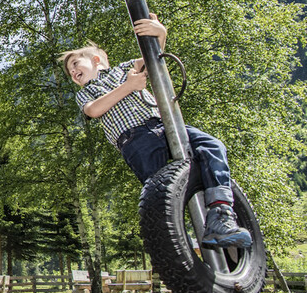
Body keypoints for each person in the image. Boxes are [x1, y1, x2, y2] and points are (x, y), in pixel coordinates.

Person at [59, 14, 252, 249]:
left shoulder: (124, 69)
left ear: (96, 59)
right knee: (162, 191)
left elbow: (153, 58)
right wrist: (128, 86)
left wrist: (161, 34)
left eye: (75, 64)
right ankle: (175, 245)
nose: (73, 73)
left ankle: (220, 215)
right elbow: (94, 110)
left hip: (163, 125)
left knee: (212, 146)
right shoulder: (87, 92)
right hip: (135, 141)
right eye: (70, 73)